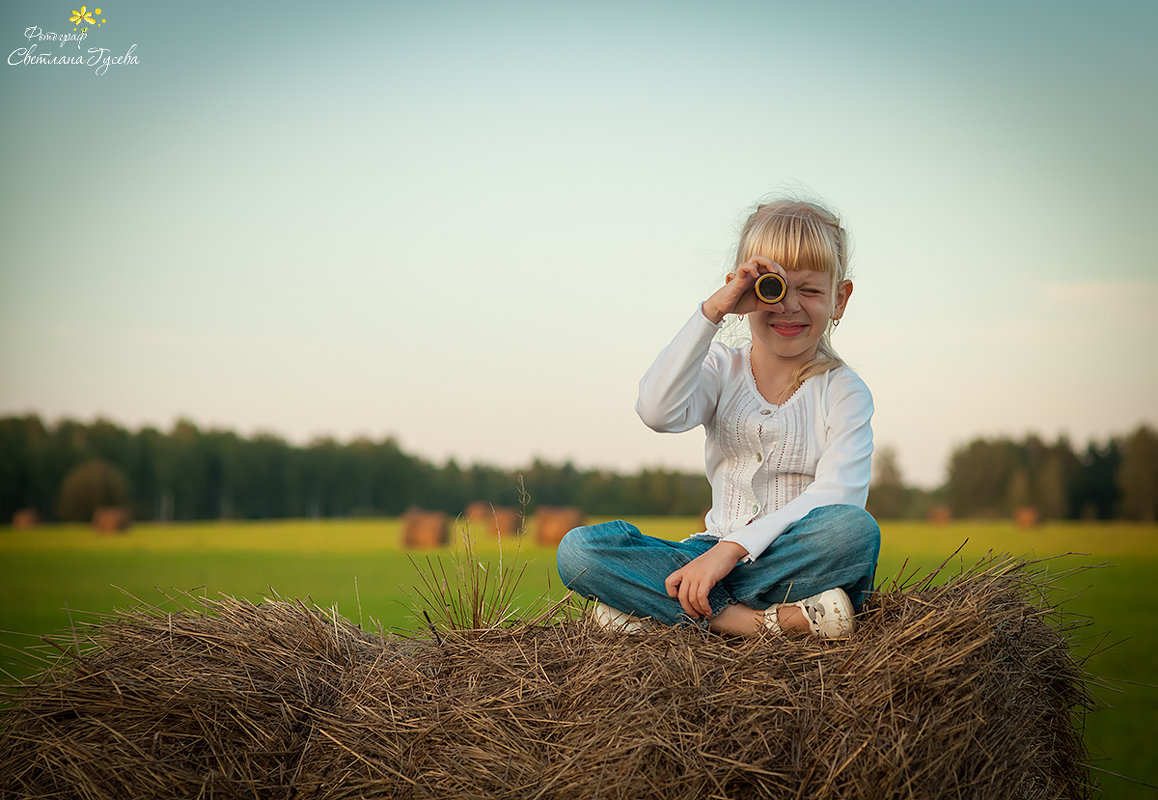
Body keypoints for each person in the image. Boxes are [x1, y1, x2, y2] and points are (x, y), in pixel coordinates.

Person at [556, 198, 880, 637]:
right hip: (706, 558)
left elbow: (837, 496)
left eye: (811, 291)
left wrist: (731, 551)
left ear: (840, 299)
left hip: (788, 559)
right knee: (578, 550)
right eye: (774, 289)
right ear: (741, 289)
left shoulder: (843, 391)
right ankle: (750, 623)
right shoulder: (720, 368)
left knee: (852, 531)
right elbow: (656, 410)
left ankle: (660, 610)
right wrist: (711, 313)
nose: (789, 307)